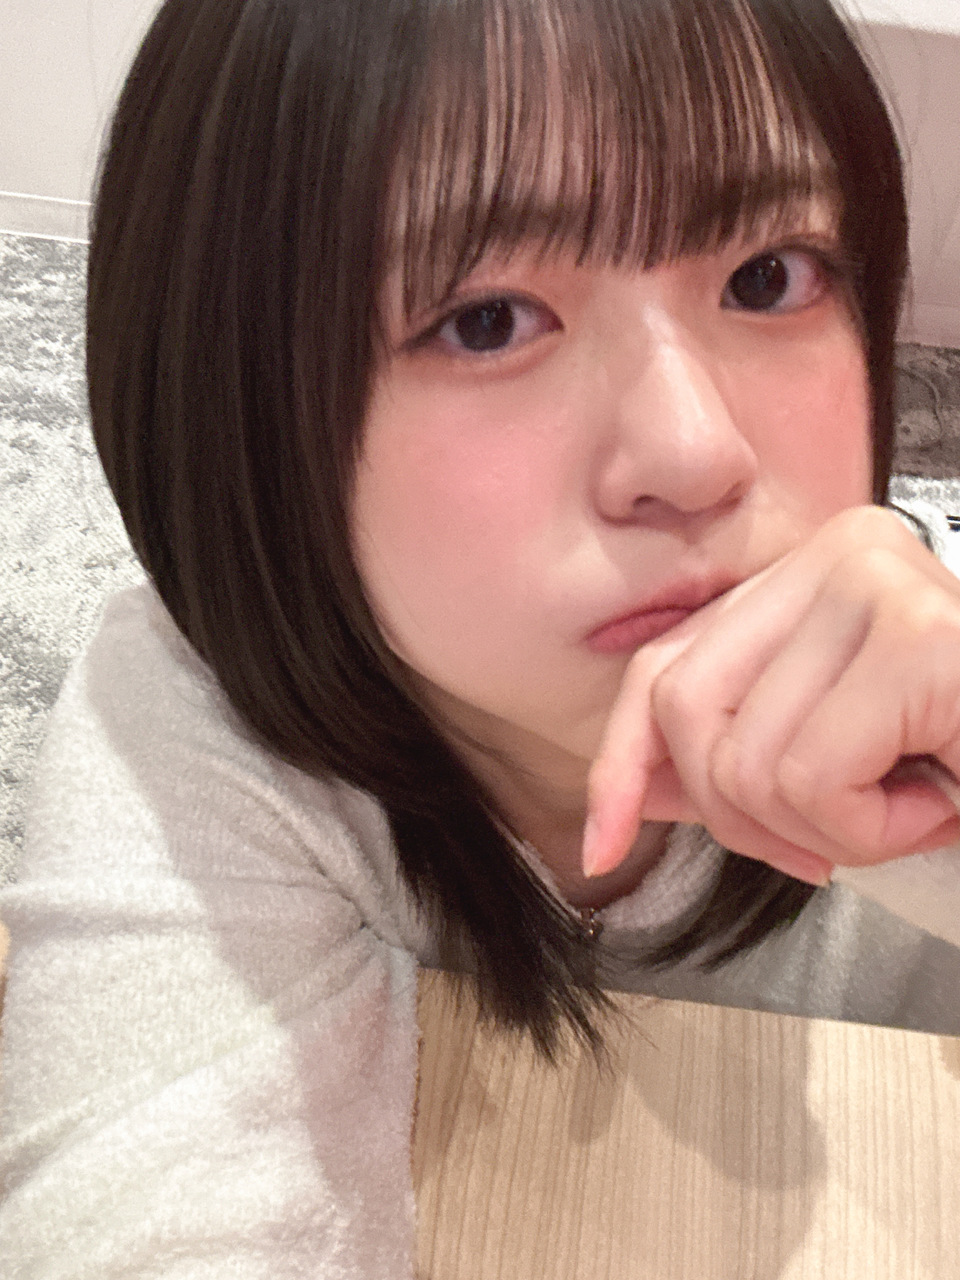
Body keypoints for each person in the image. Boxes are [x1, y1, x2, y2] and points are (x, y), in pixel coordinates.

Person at [4, 0, 960, 1273]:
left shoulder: (929, 678)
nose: (693, 451)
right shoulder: (191, 731)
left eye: (766, 276)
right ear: (236, 399)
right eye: (487, 318)